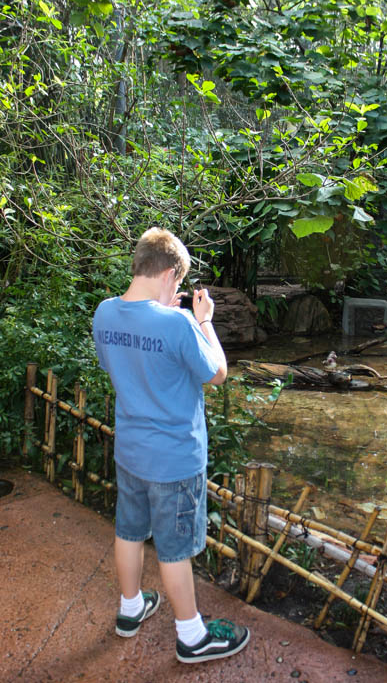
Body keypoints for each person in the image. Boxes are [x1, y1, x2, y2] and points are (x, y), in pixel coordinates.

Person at [92, 227, 250, 664]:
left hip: (130, 452)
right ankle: (192, 636)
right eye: (178, 283)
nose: (178, 291)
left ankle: (130, 610)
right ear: (167, 274)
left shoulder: (103, 313)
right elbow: (217, 372)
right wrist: (203, 321)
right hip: (175, 460)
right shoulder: (179, 323)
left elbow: (124, 364)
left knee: (128, 531)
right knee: (175, 550)